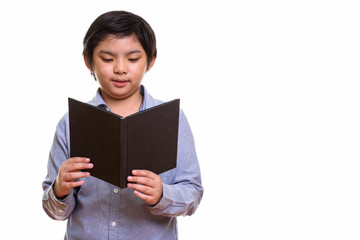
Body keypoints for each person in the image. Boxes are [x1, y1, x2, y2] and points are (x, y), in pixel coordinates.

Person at [42, 10, 203, 239]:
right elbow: (54, 211)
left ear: (151, 61)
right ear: (89, 62)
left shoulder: (172, 120)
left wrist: (162, 194)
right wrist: (59, 189)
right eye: (107, 59)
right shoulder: (70, 123)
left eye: (133, 58)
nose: (120, 68)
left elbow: (193, 194)